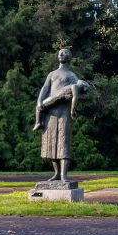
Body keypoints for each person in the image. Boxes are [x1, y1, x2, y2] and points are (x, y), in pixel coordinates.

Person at [34, 49, 90, 182]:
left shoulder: (72, 76)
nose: (62, 54)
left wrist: (71, 109)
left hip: (63, 113)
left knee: (63, 142)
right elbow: (44, 89)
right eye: (60, 52)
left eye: (65, 53)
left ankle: (64, 176)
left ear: (69, 57)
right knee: (51, 143)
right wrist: (39, 101)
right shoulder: (52, 74)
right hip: (50, 113)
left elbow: (76, 94)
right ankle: (57, 174)